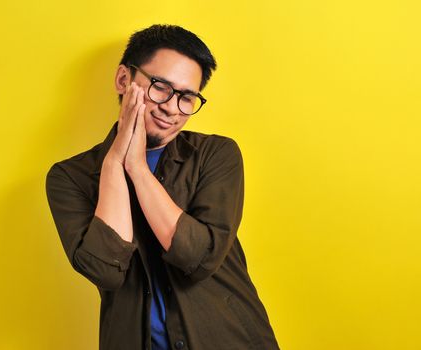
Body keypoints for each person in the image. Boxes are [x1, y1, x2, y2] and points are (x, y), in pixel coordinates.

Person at [45, 24, 279, 350]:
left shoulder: (216, 154)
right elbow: (104, 269)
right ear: (124, 80)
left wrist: (137, 169)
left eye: (187, 97)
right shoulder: (70, 178)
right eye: (160, 88)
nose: (172, 108)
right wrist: (114, 163)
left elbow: (199, 257)